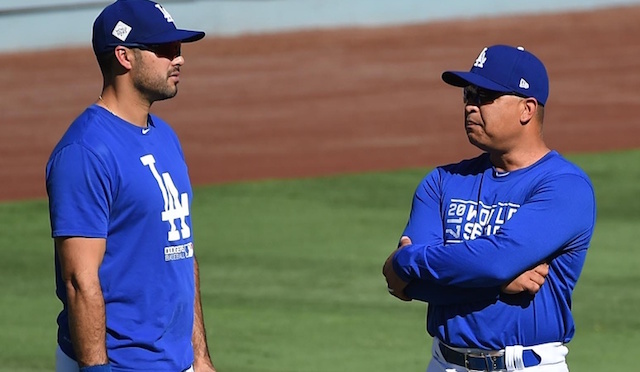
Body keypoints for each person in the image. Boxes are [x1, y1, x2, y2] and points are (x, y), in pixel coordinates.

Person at [383, 44, 596, 372]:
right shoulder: (442, 182)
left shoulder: (564, 187)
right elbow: (410, 284)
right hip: (445, 364)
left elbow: (493, 262)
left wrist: (405, 261)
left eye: (485, 96)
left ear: (527, 109)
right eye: (468, 95)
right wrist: (497, 282)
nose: (470, 107)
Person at [46, 1, 216, 371]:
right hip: (120, 363)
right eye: (165, 49)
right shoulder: (85, 152)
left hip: (177, 360)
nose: (179, 59)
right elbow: (79, 279)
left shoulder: (164, 136)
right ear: (124, 56)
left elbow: (182, 254)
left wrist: (200, 357)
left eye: (179, 48)